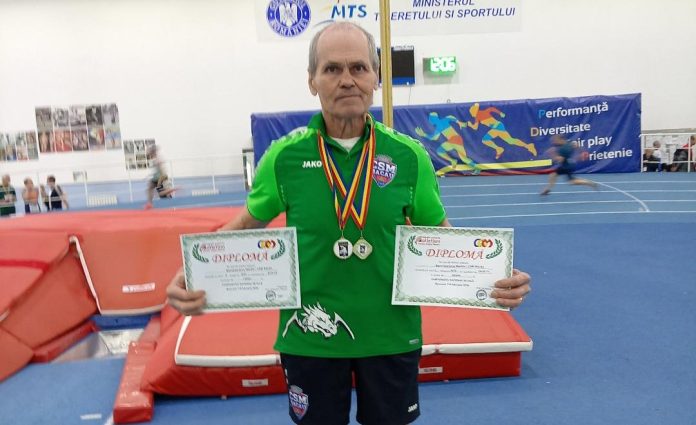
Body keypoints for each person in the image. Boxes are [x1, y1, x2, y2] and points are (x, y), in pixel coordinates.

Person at [166, 22, 531, 425]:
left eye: (358, 68)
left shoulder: (409, 157)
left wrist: (492, 276)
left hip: (390, 336)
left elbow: (440, 236)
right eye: (332, 69)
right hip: (311, 336)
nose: (346, 80)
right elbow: (246, 226)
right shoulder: (284, 158)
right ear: (312, 81)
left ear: (376, 77)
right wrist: (194, 271)